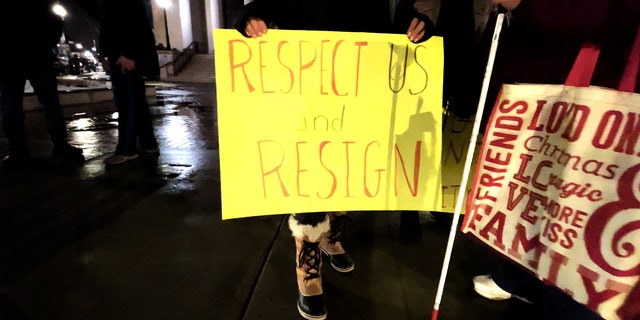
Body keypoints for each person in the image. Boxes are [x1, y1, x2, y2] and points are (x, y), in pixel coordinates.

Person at [234, 1, 434, 319]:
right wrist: (249, 19)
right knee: (309, 173)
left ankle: (331, 237)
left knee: (342, 170)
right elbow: (260, 6)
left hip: (360, 88)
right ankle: (308, 268)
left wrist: (418, 27)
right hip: (304, 89)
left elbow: (394, 20)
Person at [471, 0, 640, 319]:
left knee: (581, 235)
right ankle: (522, 278)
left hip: (604, 102)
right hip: (562, 85)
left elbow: (618, 13)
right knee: (541, 203)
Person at [0, 0, 85, 169]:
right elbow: (54, 19)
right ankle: (59, 146)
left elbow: (54, 19)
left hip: (13, 56)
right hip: (36, 55)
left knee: (12, 106)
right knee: (49, 103)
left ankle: (18, 152)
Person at [98, 0, 159, 165]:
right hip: (127, 56)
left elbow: (133, 29)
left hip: (125, 58)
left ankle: (127, 148)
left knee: (127, 104)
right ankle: (148, 143)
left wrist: (125, 55)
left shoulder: (121, 5)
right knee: (136, 102)